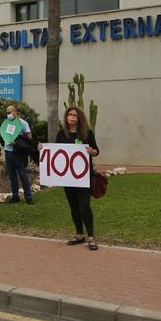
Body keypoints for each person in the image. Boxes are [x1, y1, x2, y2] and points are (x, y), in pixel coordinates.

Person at [52, 106, 100, 250]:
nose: (72, 117)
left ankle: (91, 236)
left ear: (80, 118)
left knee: (84, 205)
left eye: (75, 115)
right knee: (73, 206)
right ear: (66, 117)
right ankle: (79, 234)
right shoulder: (61, 134)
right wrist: (42, 149)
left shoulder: (86, 133)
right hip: (68, 177)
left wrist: (92, 151)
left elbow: (96, 150)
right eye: (70, 114)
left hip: (84, 176)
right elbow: (56, 152)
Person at [2, 104, 34, 204]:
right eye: (7, 113)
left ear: (16, 112)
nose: (8, 115)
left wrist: (17, 143)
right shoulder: (6, 123)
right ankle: (15, 196)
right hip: (8, 151)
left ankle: (28, 197)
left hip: (18, 153)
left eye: (10, 112)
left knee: (22, 175)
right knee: (12, 175)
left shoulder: (23, 123)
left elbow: (29, 138)